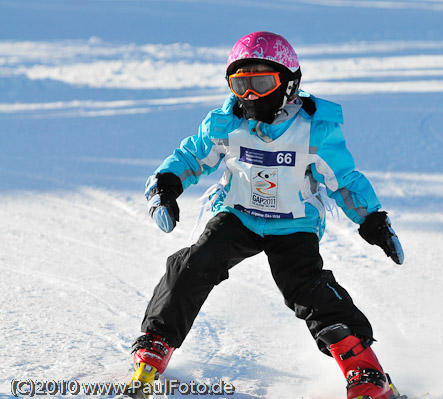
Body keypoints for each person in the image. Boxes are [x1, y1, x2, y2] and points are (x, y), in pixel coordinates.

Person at [127, 31, 405, 399]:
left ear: (289, 83)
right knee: (195, 264)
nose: (251, 96)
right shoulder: (226, 124)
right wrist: (166, 185)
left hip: (294, 223)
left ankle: (363, 368)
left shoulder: (312, 131)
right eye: (240, 84)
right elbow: (191, 156)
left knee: (306, 287)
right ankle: (157, 342)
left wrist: (372, 219)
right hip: (238, 215)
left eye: (261, 82)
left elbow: (343, 180)